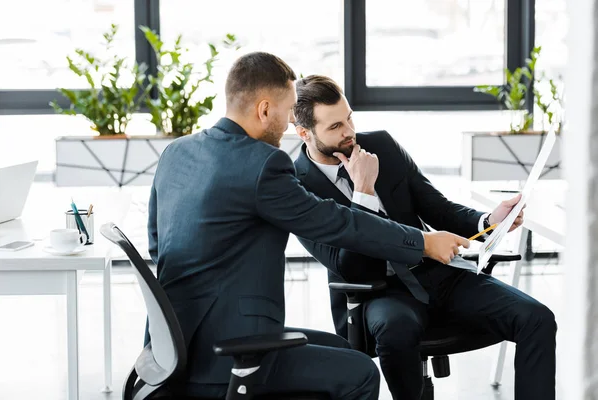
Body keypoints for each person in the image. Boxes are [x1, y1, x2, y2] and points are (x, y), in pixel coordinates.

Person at [148, 52, 472, 399]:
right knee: (361, 373)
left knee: (343, 350)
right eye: (288, 110)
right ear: (264, 109)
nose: (290, 123)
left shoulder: (176, 152)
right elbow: (338, 223)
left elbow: (157, 244)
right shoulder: (262, 164)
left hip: (172, 347)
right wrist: (423, 242)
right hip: (226, 355)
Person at [293, 74, 557, 400]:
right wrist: (362, 191)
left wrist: (488, 219)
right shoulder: (296, 188)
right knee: (396, 331)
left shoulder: (383, 147)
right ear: (304, 133)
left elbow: (438, 209)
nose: (349, 133)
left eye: (349, 118)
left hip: (438, 272)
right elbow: (350, 268)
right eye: (334, 127)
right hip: (378, 292)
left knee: (537, 319)